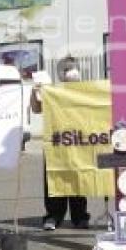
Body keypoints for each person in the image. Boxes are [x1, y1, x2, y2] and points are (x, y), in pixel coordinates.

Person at [31, 57, 90, 231]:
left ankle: (79, 216)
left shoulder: (85, 91)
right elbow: (36, 108)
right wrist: (35, 93)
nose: (70, 72)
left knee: (78, 179)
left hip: (78, 141)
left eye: (72, 68)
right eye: (66, 69)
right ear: (60, 74)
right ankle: (53, 216)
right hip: (56, 142)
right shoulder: (52, 91)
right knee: (54, 179)